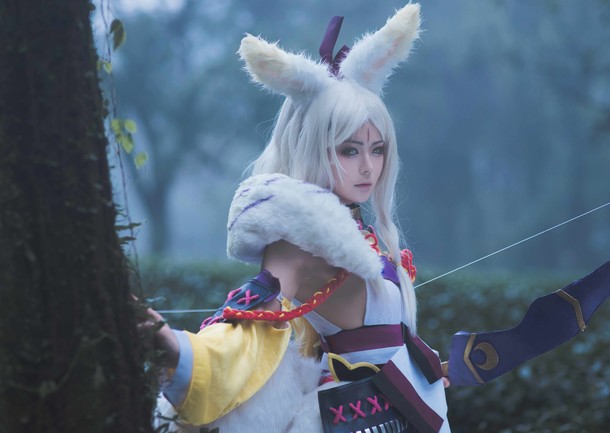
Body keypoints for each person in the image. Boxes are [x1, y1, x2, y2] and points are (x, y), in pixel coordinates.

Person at [149, 4, 451, 432]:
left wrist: (425, 370)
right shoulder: (297, 243)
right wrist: (183, 356)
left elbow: (388, 341)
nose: (368, 167)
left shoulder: (363, 233)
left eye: (377, 149)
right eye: (349, 150)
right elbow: (251, 326)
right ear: (313, 148)